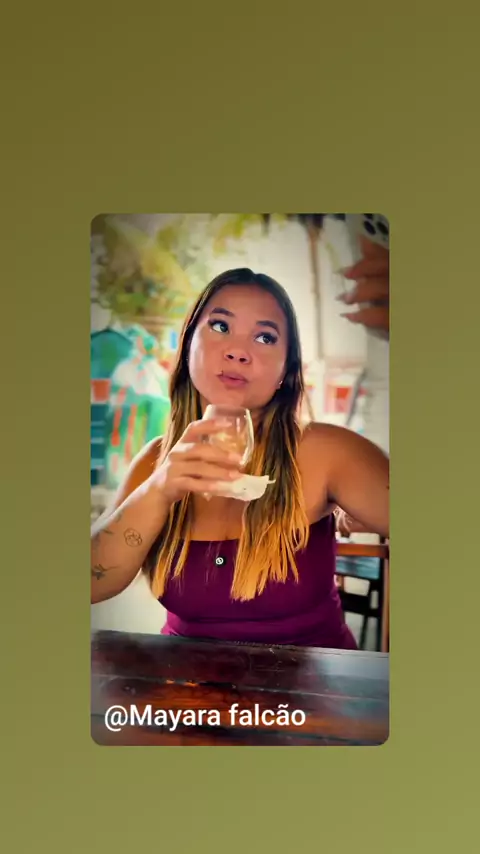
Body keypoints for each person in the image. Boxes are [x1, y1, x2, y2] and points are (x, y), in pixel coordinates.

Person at [91, 268, 389, 649]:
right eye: (220, 326)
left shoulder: (327, 450)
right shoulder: (155, 461)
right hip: (183, 681)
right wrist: (159, 490)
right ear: (188, 345)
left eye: (265, 337)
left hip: (315, 681)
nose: (237, 351)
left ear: (286, 371)